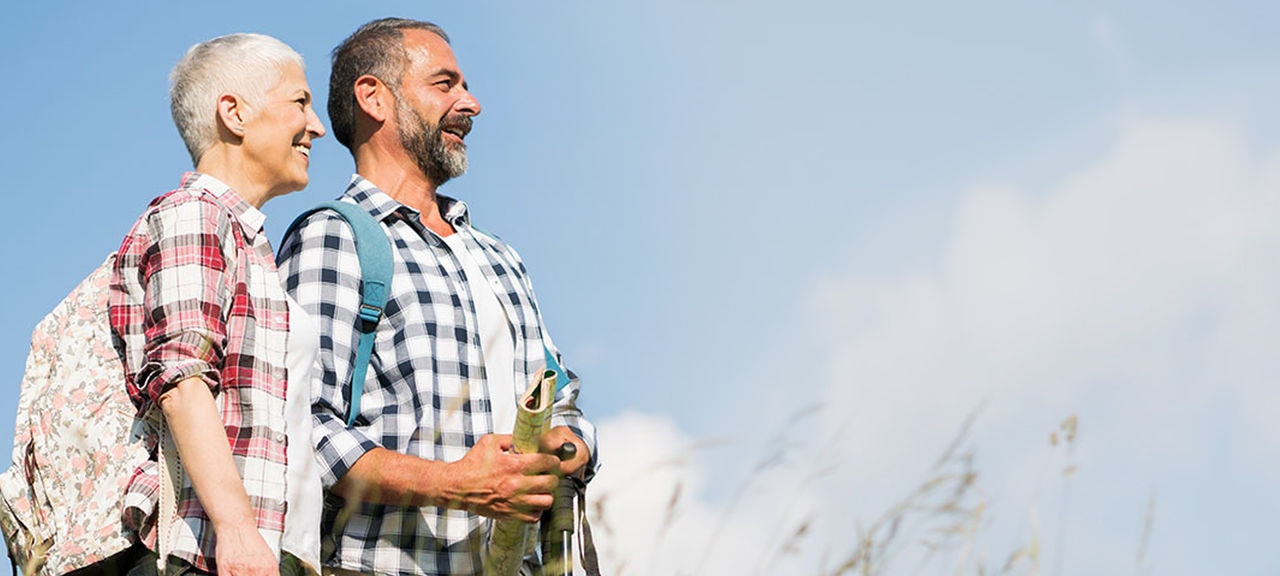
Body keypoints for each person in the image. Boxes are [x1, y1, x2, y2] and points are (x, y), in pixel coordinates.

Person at [278, 18, 599, 576]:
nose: (470, 103)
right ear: (374, 97)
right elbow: (302, 425)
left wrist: (566, 447)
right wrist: (460, 485)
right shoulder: (334, 237)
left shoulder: (501, 259)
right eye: (444, 84)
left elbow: (563, 396)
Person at [109, 33, 327, 576]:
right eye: (300, 102)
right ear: (233, 113)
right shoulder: (194, 216)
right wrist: (237, 530)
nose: (316, 126)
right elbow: (182, 382)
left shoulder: (247, 243)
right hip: (209, 555)